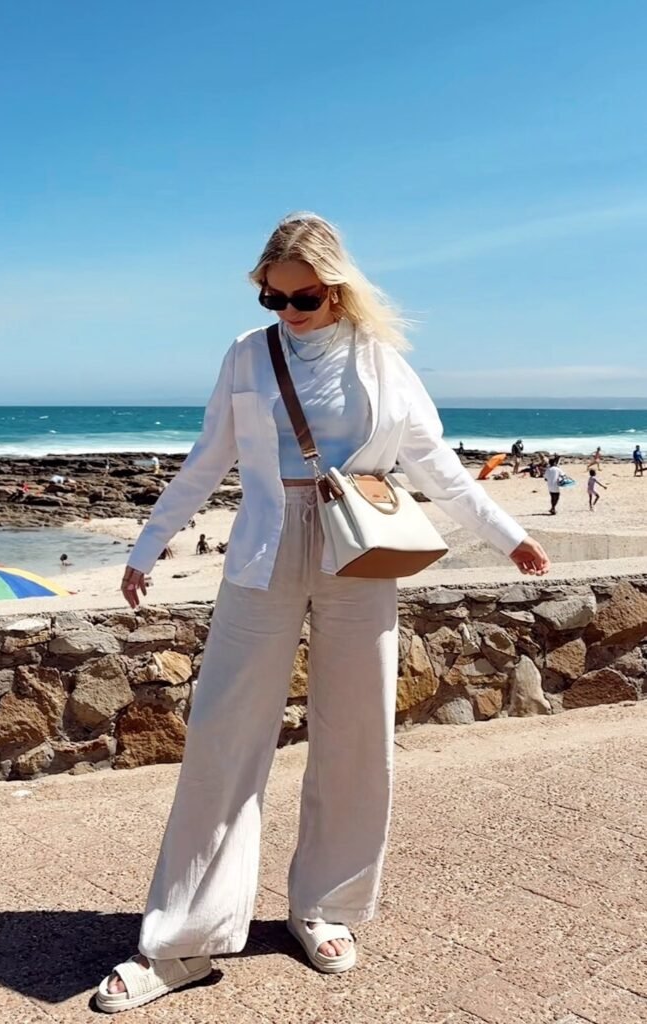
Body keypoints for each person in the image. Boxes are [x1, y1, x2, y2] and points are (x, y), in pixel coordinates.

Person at [97, 212, 550, 1014]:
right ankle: (183, 941)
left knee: (355, 736)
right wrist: (148, 544)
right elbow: (209, 459)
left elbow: (437, 468)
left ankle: (326, 907)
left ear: (335, 290)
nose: (284, 312)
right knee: (222, 739)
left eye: (299, 298)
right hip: (263, 554)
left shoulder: (381, 364)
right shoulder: (247, 354)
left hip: (360, 554)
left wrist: (508, 536)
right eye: (270, 297)